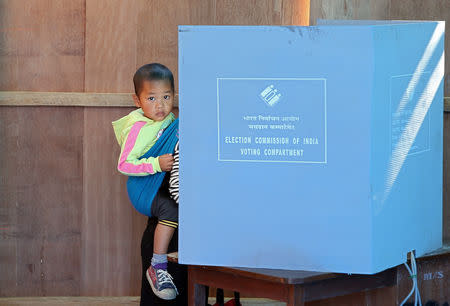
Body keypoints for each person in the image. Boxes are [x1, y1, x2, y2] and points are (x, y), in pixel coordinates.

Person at [112, 63, 179, 301]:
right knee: (171, 210)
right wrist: (156, 164)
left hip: (161, 184)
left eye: (166, 96)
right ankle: (157, 266)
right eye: (151, 98)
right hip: (143, 188)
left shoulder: (170, 120)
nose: (160, 105)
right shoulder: (137, 129)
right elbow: (124, 165)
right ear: (137, 100)